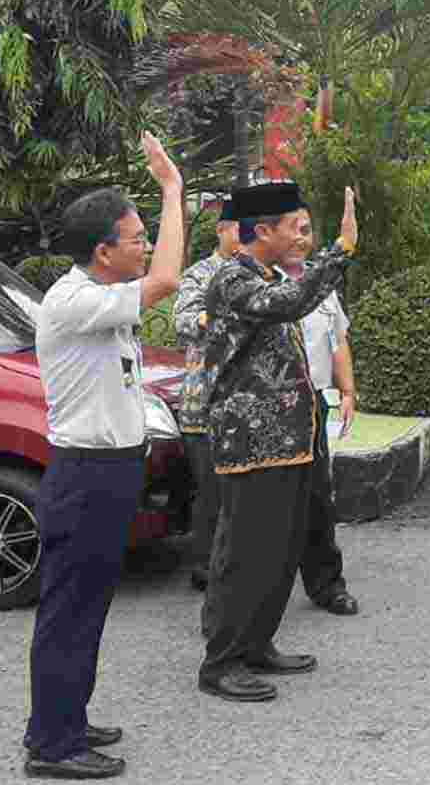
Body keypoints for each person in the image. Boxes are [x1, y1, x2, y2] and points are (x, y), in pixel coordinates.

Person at [21, 133, 186, 780]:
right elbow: (168, 277)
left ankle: (66, 717)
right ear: (103, 250)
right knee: (69, 611)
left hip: (109, 471)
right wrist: (171, 187)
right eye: (136, 235)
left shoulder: (103, 295)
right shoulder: (75, 299)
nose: (145, 245)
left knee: (88, 606)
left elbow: (155, 274)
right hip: (85, 474)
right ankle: (52, 744)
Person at [196, 182, 356, 703]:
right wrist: (342, 252)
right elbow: (291, 303)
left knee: (279, 550)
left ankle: (257, 644)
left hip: (289, 439)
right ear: (261, 231)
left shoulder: (265, 275)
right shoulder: (232, 281)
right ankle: (221, 661)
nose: (301, 238)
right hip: (251, 442)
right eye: (294, 227)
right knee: (244, 553)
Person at [283, 210, 360, 616]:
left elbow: (337, 339)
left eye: (307, 230)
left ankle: (327, 585)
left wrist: (347, 390)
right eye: (291, 229)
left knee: (318, 500)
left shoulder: (322, 285)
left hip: (313, 403)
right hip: (273, 407)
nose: (300, 237)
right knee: (269, 508)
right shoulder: (256, 284)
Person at [172, 201, 241, 596]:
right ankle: (205, 567)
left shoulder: (259, 274)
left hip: (244, 404)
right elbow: (184, 324)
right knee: (211, 493)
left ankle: (235, 566)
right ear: (222, 230)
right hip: (204, 404)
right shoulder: (200, 274)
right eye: (238, 230)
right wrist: (217, 315)